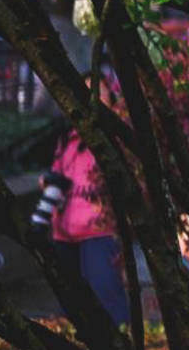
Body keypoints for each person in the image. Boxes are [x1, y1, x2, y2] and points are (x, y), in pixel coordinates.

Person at [42, 126, 131, 328]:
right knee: (72, 305)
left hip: (99, 232)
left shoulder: (111, 135)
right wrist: (49, 183)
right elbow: (57, 173)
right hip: (64, 234)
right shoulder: (66, 137)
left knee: (107, 298)